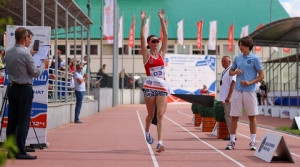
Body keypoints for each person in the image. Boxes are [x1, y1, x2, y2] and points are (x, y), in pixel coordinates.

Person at [5, 27, 49, 159]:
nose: (31, 40)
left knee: (12, 121)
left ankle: (12, 150)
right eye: (30, 38)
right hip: (24, 89)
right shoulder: (25, 54)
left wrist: (31, 55)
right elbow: (35, 73)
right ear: (25, 38)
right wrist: (43, 64)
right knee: (23, 121)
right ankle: (21, 151)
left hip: (12, 88)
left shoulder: (9, 51)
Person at [225, 36, 264, 151]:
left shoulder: (255, 59)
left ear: (248, 46)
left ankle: (252, 142)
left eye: (242, 45)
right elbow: (231, 73)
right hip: (237, 91)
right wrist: (235, 71)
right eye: (239, 45)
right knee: (234, 117)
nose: (240, 47)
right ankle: (232, 142)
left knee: (252, 117)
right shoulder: (237, 58)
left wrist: (250, 82)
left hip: (250, 91)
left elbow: (261, 76)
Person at [140, 9, 168, 153]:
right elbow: (142, 38)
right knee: (151, 115)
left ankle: (160, 142)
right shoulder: (146, 55)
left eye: (158, 41)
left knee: (161, 115)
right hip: (150, 86)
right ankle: (146, 131)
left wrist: (161, 19)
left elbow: (167, 35)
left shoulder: (162, 53)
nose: (156, 43)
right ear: (149, 43)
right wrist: (143, 21)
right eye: (154, 41)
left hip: (162, 86)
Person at [218, 56, 236, 141]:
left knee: (229, 116)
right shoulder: (224, 71)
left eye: (225, 61)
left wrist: (229, 96)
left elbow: (233, 83)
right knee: (227, 116)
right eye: (222, 61)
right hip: (224, 98)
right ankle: (231, 134)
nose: (223, 63)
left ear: (229, 62)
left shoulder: (231, 70)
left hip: (229, 98)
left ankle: (232, 135)